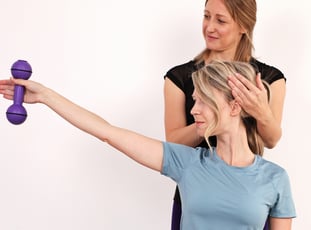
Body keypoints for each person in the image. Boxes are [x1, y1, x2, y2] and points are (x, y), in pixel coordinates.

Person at [0, 60, 296, 229]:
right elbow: (107, 131)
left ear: (235, 107)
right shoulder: (188, 163)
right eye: (194, 101)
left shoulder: (275, 179)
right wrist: (45, 96)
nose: (193, 110)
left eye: (203, 101)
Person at [163, 0, 286, 228]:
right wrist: (214, 115)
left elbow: (271, 139)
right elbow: (173, 145)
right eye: (206, 16)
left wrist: (260, 111)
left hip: (250, 201)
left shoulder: (269, 79)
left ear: (244, 26)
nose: (209, 27)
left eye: (220, 20)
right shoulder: (179, 77)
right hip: (195, 199)